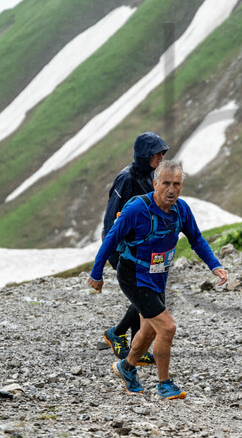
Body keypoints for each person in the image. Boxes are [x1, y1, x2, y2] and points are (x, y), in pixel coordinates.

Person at [88, 160, 227, 399]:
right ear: (155, 184)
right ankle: (164, 384)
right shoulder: (137, 209)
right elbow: (111, 239)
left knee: (150, 331)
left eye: (176, 184)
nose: (171, 189)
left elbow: (197, 240)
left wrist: (215, 265)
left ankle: (126, 368)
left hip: (157, 276)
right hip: (133, 275)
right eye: (166, 184)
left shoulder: (182, 210)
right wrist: (96, 274)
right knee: (168, 327)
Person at [100, 132, 170, 365]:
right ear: (145, 154)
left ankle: (131, 344)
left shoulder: (151, 176)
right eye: (157, 153)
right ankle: (118, 334)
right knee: (145, 294)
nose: (161, 157)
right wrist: (116, 249)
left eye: (163, 153)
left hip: (146, 250)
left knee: (151, 294)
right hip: (122, 249)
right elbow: (112, 220)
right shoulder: (126, 179)